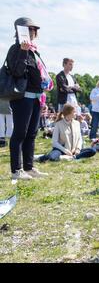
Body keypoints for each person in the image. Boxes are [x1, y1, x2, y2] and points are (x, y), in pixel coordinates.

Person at [7, 17, 52, 180]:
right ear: (20, 31)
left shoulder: (35, 51)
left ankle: (29, 166)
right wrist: (23, 51)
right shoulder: (16, 49)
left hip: (35, 97)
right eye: (29, 29)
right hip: (22, 97)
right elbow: (17, 72)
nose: (33, 33)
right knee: (20, 132)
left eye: (34, 30)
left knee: (32, 133)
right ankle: (16, 170)